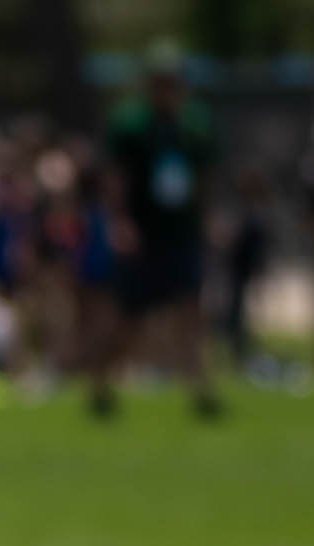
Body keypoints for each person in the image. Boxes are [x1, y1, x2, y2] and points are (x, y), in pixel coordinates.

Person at [91, 39, 221, 418]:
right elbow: (116, 178)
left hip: (181, 234)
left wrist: (208, 220)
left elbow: (204, 178)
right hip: (144, 236)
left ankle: (201, 390)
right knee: (129, 318)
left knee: (190, 311)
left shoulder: (194, 123)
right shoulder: (131, 124)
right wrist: (120, 222)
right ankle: (101, 382)